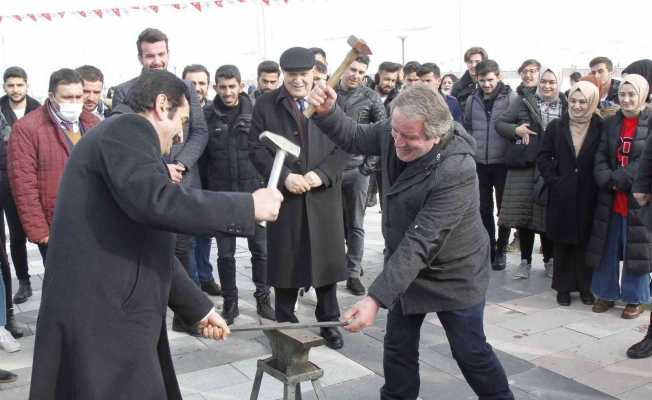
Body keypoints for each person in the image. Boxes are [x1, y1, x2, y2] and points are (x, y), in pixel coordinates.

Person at [28, 69, 283, 399]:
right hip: (102, 321)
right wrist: (248, 207)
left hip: (114, 317)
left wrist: (199, 309)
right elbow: (159, 203)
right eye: (182, 121)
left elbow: (150, 241)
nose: (180, 137)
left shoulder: (126, 141)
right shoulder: (125, 129)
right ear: (162, 105)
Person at [308, 84, 514, 400]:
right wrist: (329, 113)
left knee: (469, 351)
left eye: (410, 139)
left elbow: (421, 240)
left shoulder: (457, 169)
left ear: (436, 136)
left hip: (455, 272)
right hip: (407, 268)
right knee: (398, 347)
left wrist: (374, 299)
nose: (398, 143)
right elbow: (356, 136)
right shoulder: (399, 128)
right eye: (395, 133)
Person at [249, 47, 349, 349]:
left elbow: (345, 143)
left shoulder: (330, 101)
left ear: (314, 74)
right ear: (283, 75)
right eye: (292, 75)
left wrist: (322, 174)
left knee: (326, 262)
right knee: (286, 261)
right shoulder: (266, 105)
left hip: (322, 195)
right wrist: (284, 177)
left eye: (304, 75)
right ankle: (284, 323)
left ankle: (329, 322)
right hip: (286, 197)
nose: (298, 81)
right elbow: (256, 149)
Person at [111, 28, 209, 334]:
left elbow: (199, 132)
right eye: (149, 55)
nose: (156, 60)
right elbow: (125, 140)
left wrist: (180, 163)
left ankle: (189, 314)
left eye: (161, 54)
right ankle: (147, 313)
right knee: (150, 249)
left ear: (169, 53)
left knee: (184, 248)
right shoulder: (126, 92)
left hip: (184, 179)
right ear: (140, 56)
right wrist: (161, 168)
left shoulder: (185, 89)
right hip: (149, 182)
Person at [203, 64, 275, 324]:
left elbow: (269, 152)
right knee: (225, 255)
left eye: (232, 86)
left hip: (253, 193)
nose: (227, 92)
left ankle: (263, 298)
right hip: (222, 196)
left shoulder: (257, 112)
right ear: (215, 87)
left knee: (261, 252)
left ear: (241, 86)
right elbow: (203, 157)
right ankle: (230, 303)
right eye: (222, 87)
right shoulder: (207, 114)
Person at [8, 69, 100, 263]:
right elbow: (23, 184)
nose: (74, 102)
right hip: (56, 226)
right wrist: (40, 232)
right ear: (51, 96)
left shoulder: (93, 124)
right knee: (64, 287)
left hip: (93, 223)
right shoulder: (27, 129)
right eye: (67, 97)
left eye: (78, 96)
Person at [587, 74, 652, 320]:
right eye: (623, 94)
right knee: (607, 245)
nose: (626, 99)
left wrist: (620, 178)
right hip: (611, 196)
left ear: (642, 95)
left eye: (631, 94)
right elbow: (601, 154)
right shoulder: (611, 122)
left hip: (638, 197)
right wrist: (606, 178)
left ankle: (634, 298)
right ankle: (605, 292)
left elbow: (645, 159)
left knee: (637, 249)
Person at [537, 81, 602, 306]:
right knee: (562, 242)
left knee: (584, 240)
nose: (577, 106)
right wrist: (554, 180)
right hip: (562, 194)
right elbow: (543, 156)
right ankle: (562, 288)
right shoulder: (556, 126)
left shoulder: (599, 126)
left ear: (592, 102)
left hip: (588, 193)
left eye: (583, 102)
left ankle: (585, 287)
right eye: (573, 101)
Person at [496, 67, 564, 279]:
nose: (547, 85)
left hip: (551, 165)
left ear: (559, 83)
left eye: (552, 82)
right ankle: (525, 261)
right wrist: (516, 130)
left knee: (545, 215)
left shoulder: (566, 104)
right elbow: (501, 123)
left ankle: (549, 260)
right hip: (525, 164)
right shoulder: (524, 100)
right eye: (544, 81)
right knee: (524, 215)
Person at [335, 54, 387, 295]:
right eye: (352, 70)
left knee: (356, 224)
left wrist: (368, 166)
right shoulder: (329, 93)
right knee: (332, 224)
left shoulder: (371, 97)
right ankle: (333, 268)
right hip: (329, 171)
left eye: (361, 72)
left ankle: (353, 273)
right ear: (344, 68)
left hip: (358, 170)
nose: (356, 75)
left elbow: (384, 133)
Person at [463, 59, 515, 271]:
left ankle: (501, 249)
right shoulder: (472, 100)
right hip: (479, 163)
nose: (486, 84)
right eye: (482, 80)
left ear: (498, 76)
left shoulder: (511, 98)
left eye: (490, 80)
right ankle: (488, 249)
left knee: (504, 210)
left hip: (502, 162)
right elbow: (467, 127)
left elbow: (516, 127)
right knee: (483, 207)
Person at [0, 66, 40, 306]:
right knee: (15, 235)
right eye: (10, 85)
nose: (15, 90)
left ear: (26, 85)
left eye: (19, 85)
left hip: (31, 177)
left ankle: (51, 278)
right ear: (5, 86)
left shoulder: (38, 109)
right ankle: (24, 282)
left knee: (40, 231)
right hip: (4, 178)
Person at [182, 63, 222, 297]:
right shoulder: (181, 111)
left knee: (205, 236)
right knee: (189, 240)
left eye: (201, 83)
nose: (196, 88)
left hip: (211, 182)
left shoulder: (215, 111)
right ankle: (194, 282)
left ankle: (206, 277)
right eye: (192, 83)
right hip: (189, 179)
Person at [452, 46, 488, 111]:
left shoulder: (492, 84)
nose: (473, 65)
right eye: (470, 62)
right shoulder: (457, 87)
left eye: (477, 62)